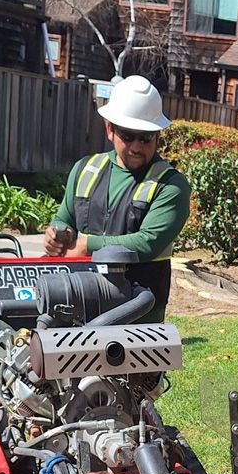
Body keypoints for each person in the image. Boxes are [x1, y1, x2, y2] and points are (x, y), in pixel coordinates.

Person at [43, 76, 190, 321]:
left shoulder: (170, 184)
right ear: (109, 129)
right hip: (79, 306)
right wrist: (57, 232)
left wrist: (85, 245)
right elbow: (64, 217)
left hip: (139, 314)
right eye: (128, 135)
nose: (136, 146)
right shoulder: (85, 169)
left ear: (157, 136)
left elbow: (146, 243)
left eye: (146, 138)